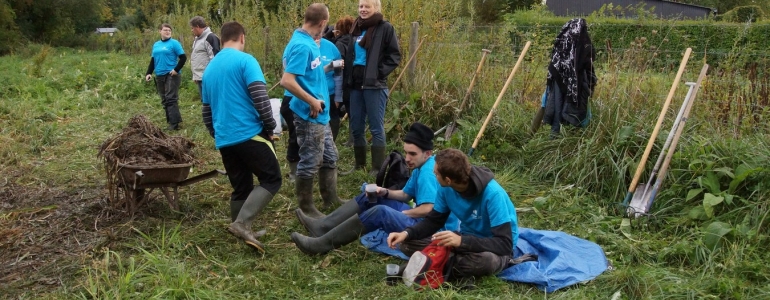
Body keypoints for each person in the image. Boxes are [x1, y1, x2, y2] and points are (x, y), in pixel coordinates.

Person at [291, 123, 458, 255]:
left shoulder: (428, 173)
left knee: (380, 212)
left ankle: (321, 245)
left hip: (433, 232)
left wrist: (403, 214)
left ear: (427, 153)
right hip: (421, 221)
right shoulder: (422, 165)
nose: (407, 159)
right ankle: (323, 227)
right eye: (406, 153)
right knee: (373, 196)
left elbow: (428, 209)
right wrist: (384, 191)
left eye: (412, 154)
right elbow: (406, 194)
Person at [201, 21, 281, 253]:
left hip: (225, 138)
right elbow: (260, 98)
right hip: (248, 133)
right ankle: (242, 223)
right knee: (272, 178)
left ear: (222, 38)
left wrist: (216, 134)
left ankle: (241, 231)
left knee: (241, 186)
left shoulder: (210, 69)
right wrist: (270, 126)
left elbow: (206, 111)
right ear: (242, 38)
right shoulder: (246, 61)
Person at [387, 148, 519, 282]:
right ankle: (445, 263)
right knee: (406, 243)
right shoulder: (446, 188)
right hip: (464, 242)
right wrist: (406, 233)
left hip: (493, 249)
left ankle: (431, 264)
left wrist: (462, 242)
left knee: (486, 262)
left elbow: (504, 244)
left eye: (436, 173)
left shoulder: (493, 194)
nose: (433, 173)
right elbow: (433, 221)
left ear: (448, 180)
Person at [280, 3, 343, 219]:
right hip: (309, 114)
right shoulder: (302, 46)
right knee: (310, 160)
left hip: (321, 113)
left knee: (330, 157)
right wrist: (312, 101)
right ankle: (306, 208)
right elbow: (287, 81)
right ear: (323, 22)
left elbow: (310, 74)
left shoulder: (309, 42)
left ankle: (330, 198)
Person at [342, 0, 401, 176]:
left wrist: (378, 72)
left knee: (376, 127)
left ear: (376, 8)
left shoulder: (385, 28)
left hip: (374, 85)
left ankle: (377, 168)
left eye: (367, 6)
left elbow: (394, 55)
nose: (363, 9)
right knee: (357, 127)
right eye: (361, 6)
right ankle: (359, 164)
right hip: (355, 84)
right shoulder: (355, 27)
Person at [280, 35, 343, 184]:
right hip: (297, 98)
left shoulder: (328, 46)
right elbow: (292, 76)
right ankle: (296, 173)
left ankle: (326, 190)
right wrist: (309, 99)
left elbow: (322, 72)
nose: (317, 39)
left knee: (327, 150)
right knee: (297, 138)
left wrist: (332, 68)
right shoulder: (299, 46)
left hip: (320, 98)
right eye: (314, 36)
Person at [145, 23, 186, 131]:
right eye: (165, 30)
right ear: (160, 31)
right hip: (159, 74)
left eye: (169, 30)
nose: (167, 32)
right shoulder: (156, 45)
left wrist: (176, 69)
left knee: (171, 98)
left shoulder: (174, 43)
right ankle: (171, 120)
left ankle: (174, 123)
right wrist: (148, 73)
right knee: (164, 99)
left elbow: (183, 57)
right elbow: (153, 60)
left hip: (171, 74)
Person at [332, 16, 355, 146]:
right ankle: (353, 139)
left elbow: (338, 65)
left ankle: (351, 140)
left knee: (350, 111)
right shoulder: (354, 41)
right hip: (354, 80)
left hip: (344, 81)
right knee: (354, 111)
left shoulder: (339, 43)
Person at [189, 16, 220, 97]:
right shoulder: (197, 39)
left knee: (211, 100)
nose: (191, 30)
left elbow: (215, 59)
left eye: (192, 28)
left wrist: (212, 76)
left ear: (197, 27)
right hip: (200, 77)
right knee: (204, 101)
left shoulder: (210, 37)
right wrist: (195, 76)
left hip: (208, 77)